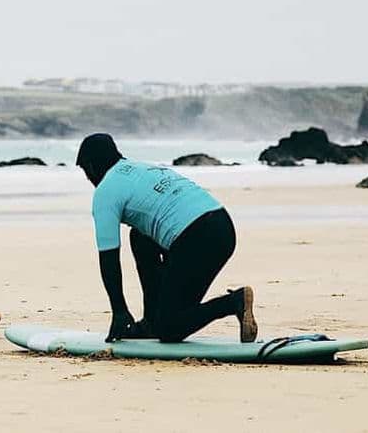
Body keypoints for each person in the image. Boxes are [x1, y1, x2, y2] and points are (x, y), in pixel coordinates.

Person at [75, 133, 257, 343]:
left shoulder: (105, 192)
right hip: (221, 226)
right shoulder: (142, 168)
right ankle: (151, 320)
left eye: (85, 172)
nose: (89, 179)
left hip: (197, 236)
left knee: (169, 328)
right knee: (140, 237)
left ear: (90, 166)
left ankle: (233, 302)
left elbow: (109, 259)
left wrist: (119, 311)